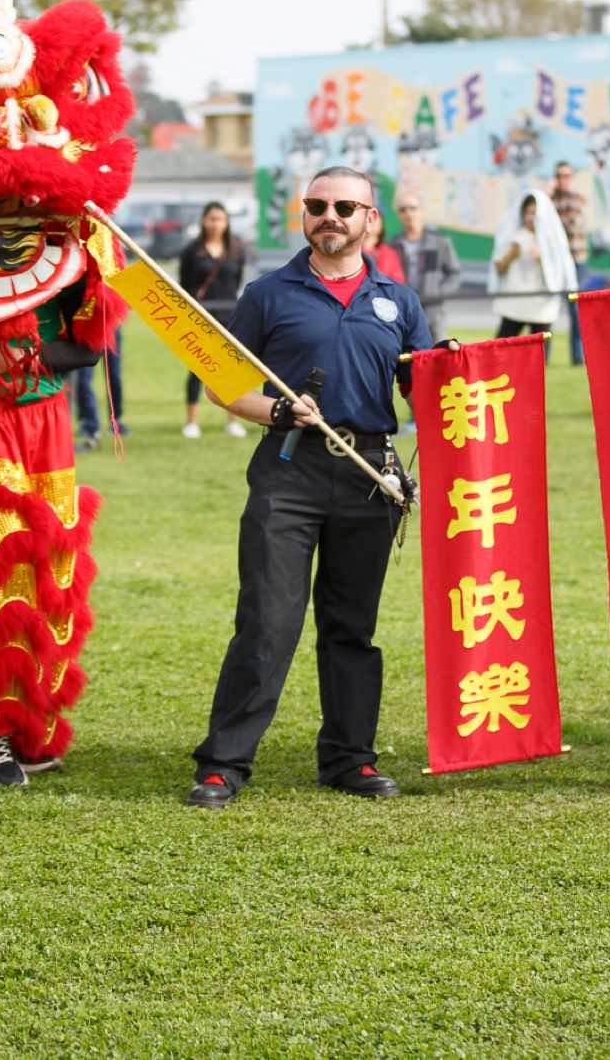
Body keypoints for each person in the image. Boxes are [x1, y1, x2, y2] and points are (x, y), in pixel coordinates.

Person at [186, 165, 433, 808]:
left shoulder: (399, 300)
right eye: (318, 205)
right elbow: (221, 384)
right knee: (267, 622)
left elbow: (426, 390)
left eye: (345, 207)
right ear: (304, 214)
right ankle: (223, 764)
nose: (330, 217)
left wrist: (455, 370)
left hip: (369, 473)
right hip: (288, 471)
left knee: (351, 628)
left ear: (370, 219)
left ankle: (350, 760)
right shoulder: (267, 294)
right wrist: (275, 409)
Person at [178, 201, 248, 439]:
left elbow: (236, 282)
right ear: (203, 220)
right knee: (198, 369)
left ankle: (232, 420)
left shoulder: (236, 250)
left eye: (220, 219)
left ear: (227, 223)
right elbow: (184, 286)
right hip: (200, 317)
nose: (216, 224)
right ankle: (191, 422)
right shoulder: (192, 251)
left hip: (230, 315)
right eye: (212, 218)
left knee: (231, 369)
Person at [491, 192, 574, 352]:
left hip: (542, 305)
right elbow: (499, 269)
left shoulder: (553, 240)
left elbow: (560, 272)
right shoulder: (513, 236)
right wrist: (510, 255)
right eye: (527, 212)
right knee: (501, 349)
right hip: (516, 302)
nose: (530, 217)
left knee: (539, 356)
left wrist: (544, 259)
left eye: (534, 213)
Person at [391, 192, 462, 342]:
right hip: (405, 311)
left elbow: (454, 273)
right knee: (407, 352)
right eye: (403, 209)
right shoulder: (394, 245)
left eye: (413, 208)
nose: (408, 213)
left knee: (439, 351)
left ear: (422, 210)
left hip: (433, 312)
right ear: (398, 214)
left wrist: (438, 293)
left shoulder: (439, 241)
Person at [551, 161, 592, 365]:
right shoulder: (550, 201)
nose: (562, 179)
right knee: (548, 310)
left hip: (576, 261)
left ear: (572, 178)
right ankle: (543, 358)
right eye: (559, 175)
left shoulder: (577, 200)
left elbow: (571, 226)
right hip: (555, 263)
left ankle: (578, 357)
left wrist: (555, 225)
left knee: (576, 310)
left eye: (566, 175)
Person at [362, 211, 406, 284]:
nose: (371, 221)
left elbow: (397, 282)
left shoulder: (390, 253)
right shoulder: (351, 251)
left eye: (375, 217)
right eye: (367, 217)